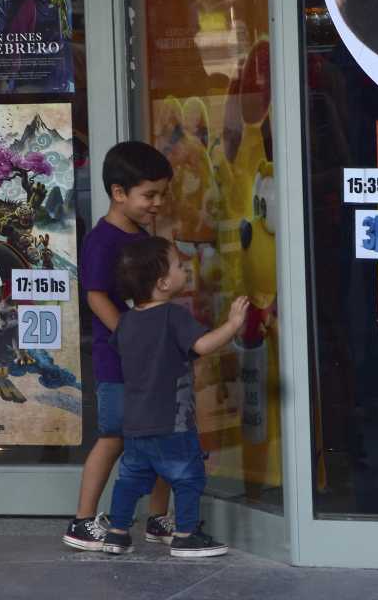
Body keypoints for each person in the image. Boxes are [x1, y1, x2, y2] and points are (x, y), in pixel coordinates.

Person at [102, 237, 249, 558]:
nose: (186, 270)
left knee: (129, 480)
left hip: (136, 423)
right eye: (180, 266)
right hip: (173, 421)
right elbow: (203, 346)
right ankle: (185, 535)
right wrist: (233, 325)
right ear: (164, 283)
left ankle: (117, 533)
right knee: (188, 476)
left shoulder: (126, 321)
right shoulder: (173, 315)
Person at [63, 141, 175, 551]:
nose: (158, 203)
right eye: (150, 195)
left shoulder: (142, 236)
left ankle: (159, 519)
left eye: (163, 194)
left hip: (150, 361)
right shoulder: (102, 241)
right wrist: (131, 340)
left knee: (167, 431)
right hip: (119, 364)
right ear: (118, 192)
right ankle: (81, 521)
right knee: (113, 436)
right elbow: (95, 296)